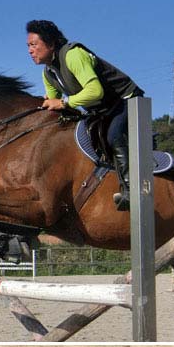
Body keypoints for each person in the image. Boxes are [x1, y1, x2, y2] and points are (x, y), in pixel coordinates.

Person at [26, 19, 144, 212]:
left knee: (113, 136)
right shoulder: (48, 73)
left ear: (51, 43)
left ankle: (132, 190)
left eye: (33, 45)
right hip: (102, 110)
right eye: (28, 46)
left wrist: (64, 102)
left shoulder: (73, 54)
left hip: (126, 100)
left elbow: (95, 90)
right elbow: (54, 107)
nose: (30, 51)